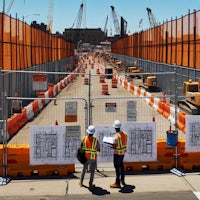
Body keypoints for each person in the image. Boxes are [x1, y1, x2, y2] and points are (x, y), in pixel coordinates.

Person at [79, 125, 100, 190]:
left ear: (88, 132)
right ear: (93, 133)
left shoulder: (83, 139)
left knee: (84, 169)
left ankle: (81, 182)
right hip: (93, 158)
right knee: (92, 172)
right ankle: (90, 184)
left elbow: (81, 147)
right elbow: (98, 149)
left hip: (85, 157)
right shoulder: (96, 140)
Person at [110, 120, 127, 188]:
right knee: (121, 167)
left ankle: (117, 183)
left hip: (117, 154)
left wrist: (111, 146)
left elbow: (114, 146)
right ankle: (122, 180)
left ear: (115, 128)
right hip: (122, 153)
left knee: (117, 168)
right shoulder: (125, 134)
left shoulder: (115, 136)